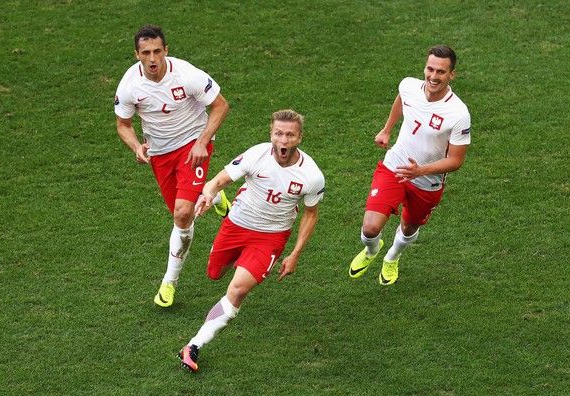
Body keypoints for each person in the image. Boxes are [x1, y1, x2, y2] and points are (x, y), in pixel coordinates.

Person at [178, 110, 325, 372]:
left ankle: (193, 345)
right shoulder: (256, 155)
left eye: (290, 135)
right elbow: (217, 180)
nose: (283, 140)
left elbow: (310, 214)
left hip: (271, 236)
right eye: (278, 134)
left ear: (300, 138)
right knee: (214, 273)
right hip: (236, 225)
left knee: (237, 290)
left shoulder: (311, 175)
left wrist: (295, 254)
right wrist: (208, 194)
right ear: (271, 134)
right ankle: (223, 206)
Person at [114, 25, 230, 307]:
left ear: (166, 50)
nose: (152, 58)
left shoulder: (187, 75)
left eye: (157, 51)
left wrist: (202, 141)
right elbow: (123, 124)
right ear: (137, 55)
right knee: (183, 212)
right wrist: (136, 146)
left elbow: (220, 105)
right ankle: (213, 193)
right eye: (146, 53)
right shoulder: (129, 85)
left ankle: (169, 282)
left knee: (182, 214)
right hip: (161, 154)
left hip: (193, 144)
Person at [348, 45, 471, 285]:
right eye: (430, 69)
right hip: (394, 166)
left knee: (408, 227)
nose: (433, 76)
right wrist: (387, 129)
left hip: (427, 182)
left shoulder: (458, 113)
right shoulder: (408, 86)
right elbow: (401, 101)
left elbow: (456, 161)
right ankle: (372, 250)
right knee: (370, 229)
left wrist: (420, 171)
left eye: (441, 72)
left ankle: (392, 257)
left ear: (452, 75)